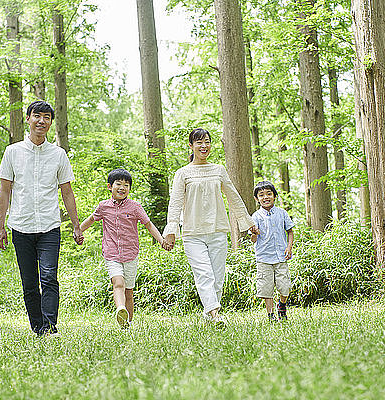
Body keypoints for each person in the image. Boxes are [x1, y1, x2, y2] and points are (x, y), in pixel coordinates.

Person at [0, 100, 84, 337]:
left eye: (47, 117)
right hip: (21, 226)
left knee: (49, 276)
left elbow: (67, 191)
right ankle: (39, 328)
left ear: (51, 122)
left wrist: (76, 225)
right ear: (28, 119)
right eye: (37, 116)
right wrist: (0, 226)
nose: (41, 121)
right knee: (29, 282)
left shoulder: (58, 154)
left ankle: (50, 326)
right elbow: (5, 190)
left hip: (49, 226)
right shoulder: (12, 152)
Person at [162, 128, 259, 327]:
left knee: (217, 277)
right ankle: (215, 314)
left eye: (206, 142)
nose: (203, 146)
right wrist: (171, 231)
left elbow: (233, 197)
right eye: (199, 142)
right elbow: (175, 203)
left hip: (218, 231)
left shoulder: (218, 170)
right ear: (191, 146)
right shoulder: (183, 173)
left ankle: (209, 313)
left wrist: (248, 223)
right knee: (204, 274)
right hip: (193, 234)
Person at [80, 168, 170, 328]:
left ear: (129, 188)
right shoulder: (103, 207)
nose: (122, 188)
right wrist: (78, 231)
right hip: (111, 253)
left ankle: (126, 323)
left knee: (129, 291)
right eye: (118, 184)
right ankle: (120, 308)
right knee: (118, 283)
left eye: (126, 185)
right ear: (110, 186)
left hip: (130, 254)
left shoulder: (135, 207)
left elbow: (148, 225)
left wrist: (162, 240)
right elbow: (91, 219)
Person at [250, 181, 295, 322]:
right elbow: (252, 240)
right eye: (261, 195)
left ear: (274, 196)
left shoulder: (282, 213)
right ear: (257, 199)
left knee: (285, 286)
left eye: (269, 194)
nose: (265, 197)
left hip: (281, 256)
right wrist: (254, 233)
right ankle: (271, 315)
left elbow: (290, 231)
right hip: (264, 258)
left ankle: (281, 305)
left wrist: (289, 247)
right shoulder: (255, 216)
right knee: (266, 288)